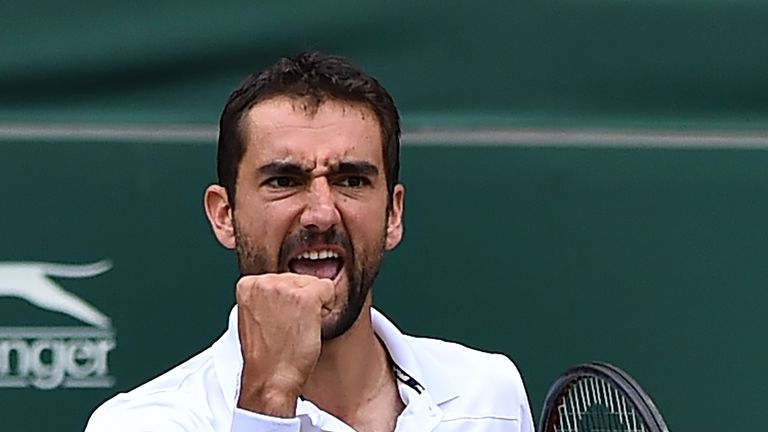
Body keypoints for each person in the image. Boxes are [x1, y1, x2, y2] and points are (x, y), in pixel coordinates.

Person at [85, 52, 534, 432]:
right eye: (284, 180)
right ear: (225, 216)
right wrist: (267, 401)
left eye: (351, 180)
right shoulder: (144, 423)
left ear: (393, 215)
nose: (321, 213)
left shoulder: (489, 393)